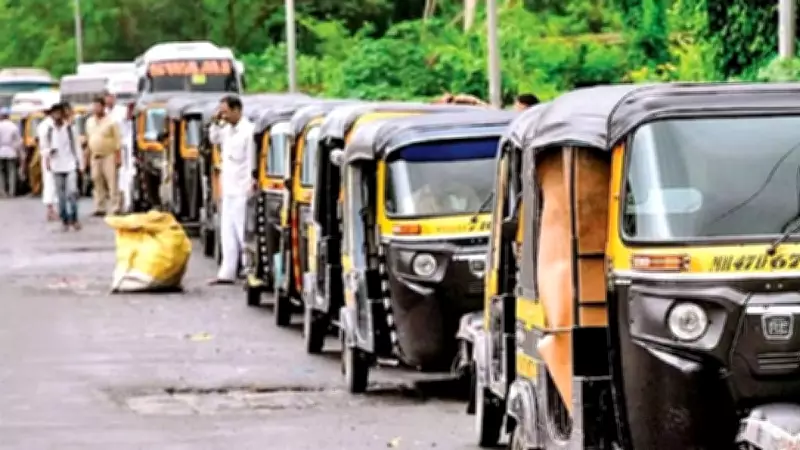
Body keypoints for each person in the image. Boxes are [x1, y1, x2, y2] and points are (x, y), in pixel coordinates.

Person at [207, 95, 256, 285]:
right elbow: (213, 138)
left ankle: (248, 269)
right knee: (227, 233)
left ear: (237, 110)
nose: (224, 116)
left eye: (226, 112)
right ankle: (226, 272)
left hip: (242, 189)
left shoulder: (248, 131)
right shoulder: (226, 130)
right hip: (228, 188)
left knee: (243, 232)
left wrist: (250, 185)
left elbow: (251, 161)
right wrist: (215, 120)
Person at [44, 103, 83, 231]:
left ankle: (74, 218)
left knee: (71, 192)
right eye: (54, 114)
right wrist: (49, 154)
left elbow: (76, 147)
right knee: (60, 196)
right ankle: (65, 219)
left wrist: (80, 164)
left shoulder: (70, 129)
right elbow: (44, 149)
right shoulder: (49, 131)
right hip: (56, 165)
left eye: (58, 113)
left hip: (70, 164)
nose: (56, 116)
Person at [85, 96, 121, 216]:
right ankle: (99, 206)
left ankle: (115, 206)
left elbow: (117, 140)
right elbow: (88, 139)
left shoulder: (111, 121)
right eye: (94, 106)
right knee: (96, 180)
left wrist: (118, 156)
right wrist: (87, 156)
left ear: (103, 107)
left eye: (98, 106)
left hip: (109, 155)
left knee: (112, 181)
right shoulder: (89, 122)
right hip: (95, 156)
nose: (96, 108)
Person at [36, 104, 57, 220]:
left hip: (54, 157)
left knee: (52, 183)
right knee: (50, 183)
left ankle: (53, 209)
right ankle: (51, 210)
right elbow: (45, 145)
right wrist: (48, 157)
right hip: (49, 156)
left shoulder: (47, 125)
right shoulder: (46, 126)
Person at [117, 102, 135, 212]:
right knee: (124, 180)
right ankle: (126, 205)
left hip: (134, 158)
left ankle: (130, 204)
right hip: (125, 155)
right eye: (129, 109)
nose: (130, 112)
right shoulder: (121, 123)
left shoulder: (138, 122)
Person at [0, 107, 22, 197]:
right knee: (12, 172)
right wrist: (19, 152)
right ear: (8, 116)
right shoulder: (14, 126)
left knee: (1, 173)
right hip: (11, 151)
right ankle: (11, 191)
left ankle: (2, 191)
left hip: (0, 151)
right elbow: (18, 141)